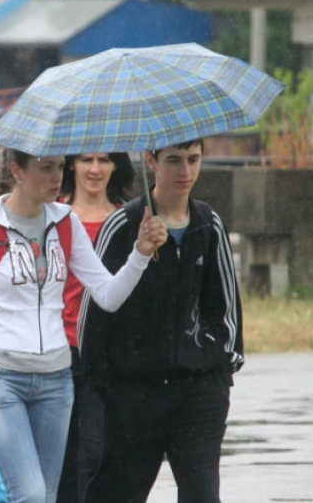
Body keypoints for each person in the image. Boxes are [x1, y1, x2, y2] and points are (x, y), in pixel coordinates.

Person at [0, 149, 166, 503]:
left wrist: (141, 253)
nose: (56, 178)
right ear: (16, 171)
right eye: (45, 169)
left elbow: (107, 295)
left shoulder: (65, 222)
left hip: (56, 380)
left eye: (58, 168)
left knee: (49, 496)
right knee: (31, 494)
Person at [79, 139, 245, 502]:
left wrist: (220, 370)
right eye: (173, 161)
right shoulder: (121, 225)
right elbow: (94, 314)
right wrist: (105, 385)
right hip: (133, 392)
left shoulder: (208, 223)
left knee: (202, 494)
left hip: (198, 389)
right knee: (116, 494)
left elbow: (226, 308)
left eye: (193, 160)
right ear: (151, 161)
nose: (185, 171)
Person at [56, 152, 134, 503]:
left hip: (109, 357)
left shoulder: (130, 220)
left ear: (117, 165)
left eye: (104, 159)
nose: (95, 169)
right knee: (59, 459)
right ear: (71, 164)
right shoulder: (51, 216)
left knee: (96, 455)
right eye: (86, 159)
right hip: (58, 353)